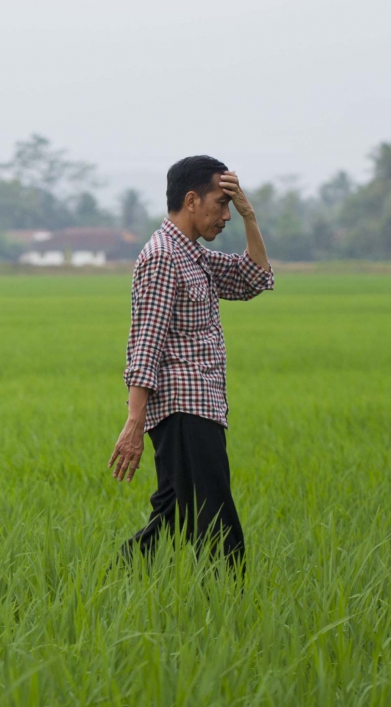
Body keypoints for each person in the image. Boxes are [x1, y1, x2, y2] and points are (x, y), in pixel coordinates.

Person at [108, 155, 273, 575]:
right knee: (215, 513)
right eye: (221, 204)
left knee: (175, 515)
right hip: (184, 409)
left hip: (201, 405)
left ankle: (115, 577)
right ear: (191, 200)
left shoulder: (194, 256)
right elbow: (146, 343)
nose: (226, 216)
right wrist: (134, 423)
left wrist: (249, 214)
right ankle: (231, 596)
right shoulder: (163, 257)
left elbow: (253, 277)